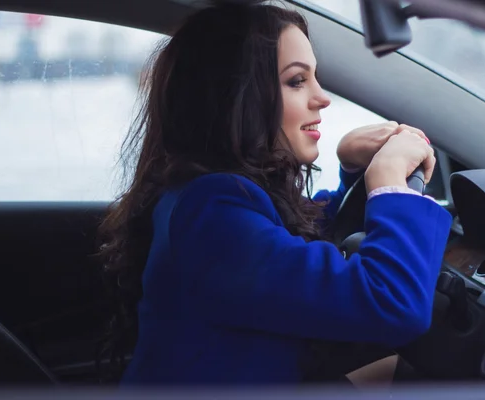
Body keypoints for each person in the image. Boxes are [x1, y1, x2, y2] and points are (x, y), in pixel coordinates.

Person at [98, 0, 452, 387]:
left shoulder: (203, 195)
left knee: (398, 374)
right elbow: (393, 303)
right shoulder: (213, 212)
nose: (322, 97)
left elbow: (290, 253)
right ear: (235, 95)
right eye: (297, 81)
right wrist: (387, 182)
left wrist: (353, 173)